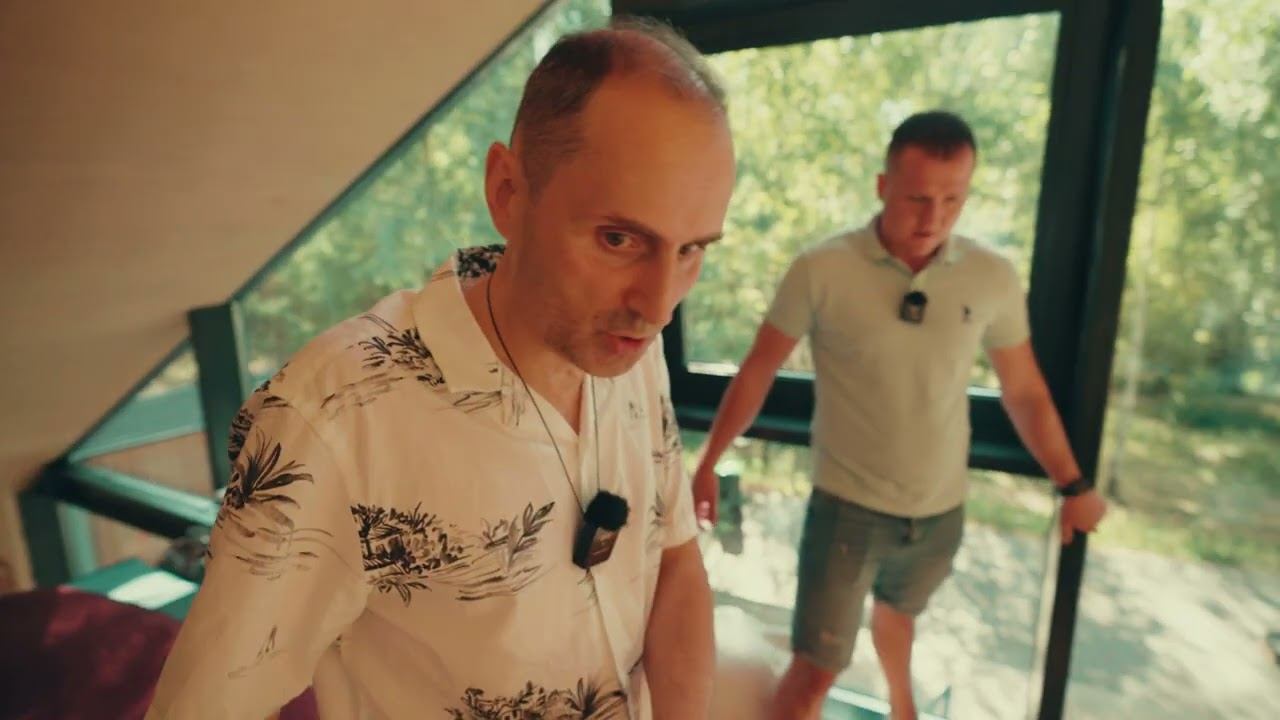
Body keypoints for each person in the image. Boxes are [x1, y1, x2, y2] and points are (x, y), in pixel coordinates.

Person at [147, 19, 736, 720]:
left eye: (692, 250)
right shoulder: (335, 417)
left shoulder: (628, 347)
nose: (659, 306)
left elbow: (674, 558)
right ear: (509, 191)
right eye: (618, 239)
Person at [690, 111, 1107, 720]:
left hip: (939, 513)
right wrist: (709, 462)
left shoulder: (990, 275)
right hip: (847, 511)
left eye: (952, 199)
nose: (933, 218)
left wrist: (1073, 485)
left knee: (899, 617)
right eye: (917, 198)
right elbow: (758, 370)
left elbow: (1025, 392)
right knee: (815, 671)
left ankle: (903, 710)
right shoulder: (822, 268)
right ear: (883, 186)